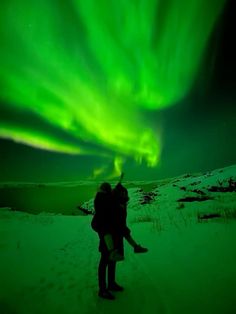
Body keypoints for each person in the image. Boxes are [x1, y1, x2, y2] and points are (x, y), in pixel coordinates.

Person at [91, 182, 123, 300]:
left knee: (111, 259)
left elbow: (111, 200)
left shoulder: (103, 197)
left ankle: (111, 284)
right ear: (107, 191)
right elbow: (109, 202)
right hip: (105, 233)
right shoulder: (101, 199)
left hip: (110, 232)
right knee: (105, 260)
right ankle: (102, 289)